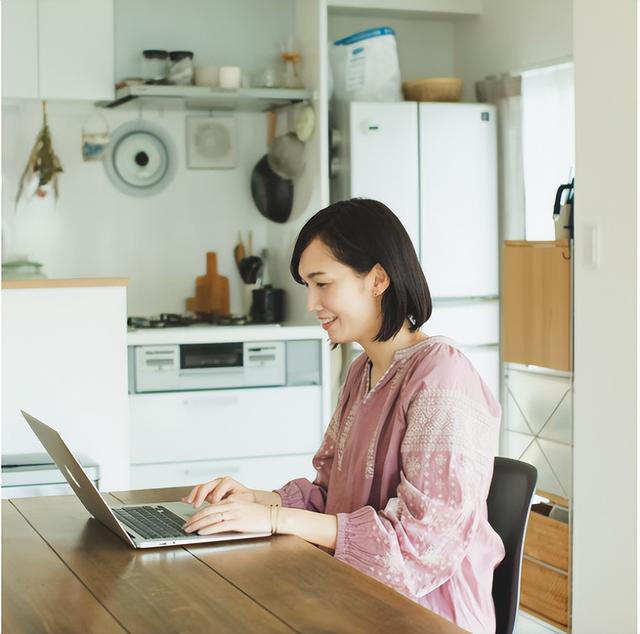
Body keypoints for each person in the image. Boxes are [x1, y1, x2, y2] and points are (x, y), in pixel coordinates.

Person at [182, 198, 504, 633]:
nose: (312, 303)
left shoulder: (442, 377)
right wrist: (259, 499)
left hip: (429, 617)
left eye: (322, 283)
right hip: (353, 596)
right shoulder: (363, 371)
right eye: (307, 287)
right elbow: (331, 497)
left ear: (377, 279)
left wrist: (275, 520)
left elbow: (419, 548)